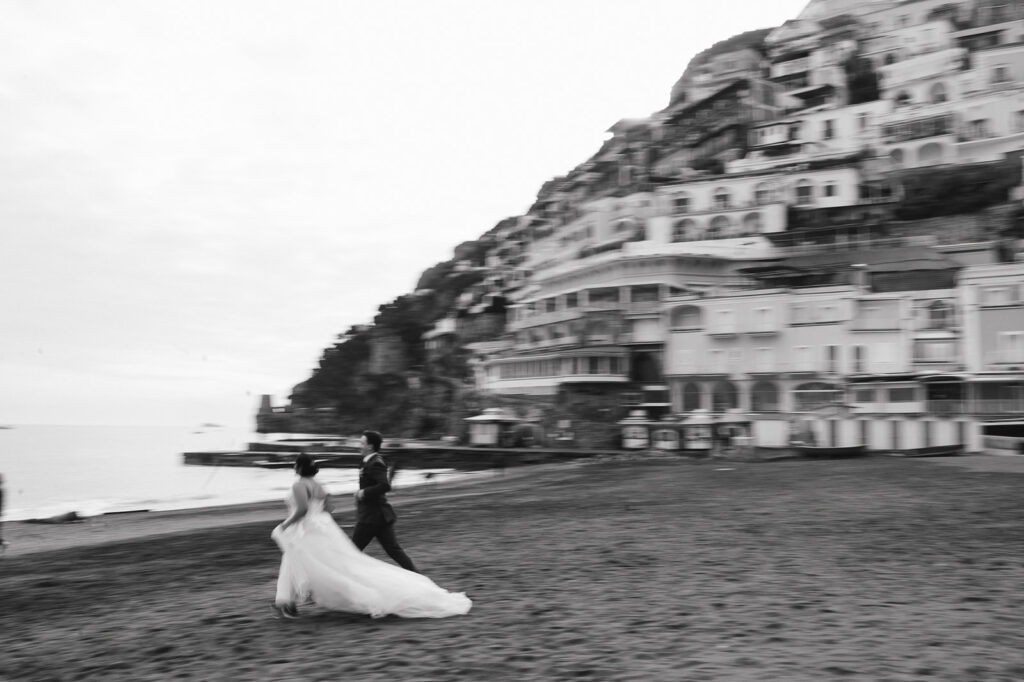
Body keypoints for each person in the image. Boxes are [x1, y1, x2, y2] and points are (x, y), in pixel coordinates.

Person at [271, 453, 470, 620]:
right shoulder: (319, 485)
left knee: (297, 561)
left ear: (298, 467)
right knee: (318, 564)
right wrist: (320, 524)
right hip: (320, 527)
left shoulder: (299, 485)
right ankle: (287, 603)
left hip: (306, 529)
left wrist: (284, 524)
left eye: (295, 464)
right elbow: (329, 507)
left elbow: (303, 510)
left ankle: (286, 603)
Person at [351, 430, 418, 573]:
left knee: (351, 552)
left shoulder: (376, 463)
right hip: (381, 516)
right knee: (394, 550)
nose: (359, 446)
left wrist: (363, 492)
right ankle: (420, 579)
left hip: (370, 517)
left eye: (362, 443)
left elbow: (385, 485)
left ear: (370, 446)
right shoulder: (370, 461)